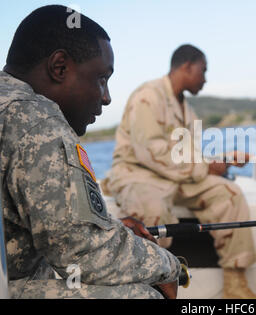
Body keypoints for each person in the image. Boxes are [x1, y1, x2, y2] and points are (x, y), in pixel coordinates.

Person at [0, 5, 180, 299]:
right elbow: (85, 254)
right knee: (144, 295)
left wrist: (110, 229)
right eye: (101, 78)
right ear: (59, 67)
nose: (106, 97)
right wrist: (172, 267)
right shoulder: (36, 121)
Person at [102, 44, 256, 299]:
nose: (205, 79)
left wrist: (223, 161)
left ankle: (235, 284)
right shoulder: (147, 97)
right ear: (186, 67)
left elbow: (188, 157)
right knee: (151, 209)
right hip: (138, 173)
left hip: (177, 177)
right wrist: (206, 166)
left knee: (229, 194)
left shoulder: (189, 112)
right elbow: (152, 152)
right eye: (203, 71)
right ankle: (151, 288)